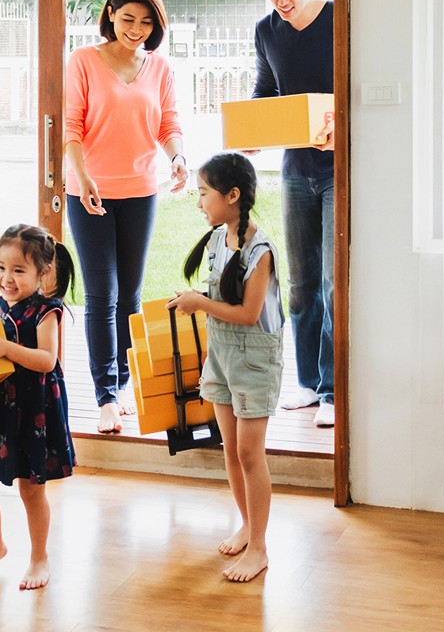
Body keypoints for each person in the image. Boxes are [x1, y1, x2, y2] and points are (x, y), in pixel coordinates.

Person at [64, 0, 188, 434]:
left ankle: (124, 381)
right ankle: (105, 396)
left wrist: (177, 157)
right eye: (128, 19)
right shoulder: (83, 61)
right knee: (102, 294)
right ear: (111, 14)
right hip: (90, 192)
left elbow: (168, 122)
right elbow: (71, 127)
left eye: (146, 22)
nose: (136, 29)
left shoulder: (159, 68)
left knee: (130, 295)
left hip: (140, 189)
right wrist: (85, 176)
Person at [169, 153, 284, 583]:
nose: (199, 202)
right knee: (232, 450)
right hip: (220, 355)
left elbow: (250, 313)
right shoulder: (219, 238)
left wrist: (200, 303)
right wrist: (194, 298)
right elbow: (223, 297)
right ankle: (248, 526)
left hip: (255, 359)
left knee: (250, 454)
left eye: (204, 193)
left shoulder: (261, 250)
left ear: (232, 196)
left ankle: (260, 548)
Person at [0, 224, 77, 590]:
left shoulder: (46, 312)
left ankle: (40, 557)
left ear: (42, 273)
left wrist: (7, 348)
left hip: (34, 410)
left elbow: (47, 360)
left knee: (31, 490)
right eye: (0, 267)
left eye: (18, 270)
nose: (6, 278)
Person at [249, 0, 336, 428]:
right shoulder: (267, 30)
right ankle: (306, 384)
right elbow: (266, 91)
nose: (282, 0)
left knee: (330, 280)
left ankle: (331, 389)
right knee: (300, 285)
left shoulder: (336, 18)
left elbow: (354, 84)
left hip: (336, 169)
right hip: (295, 171)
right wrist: (255, 131)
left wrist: (337, 126)